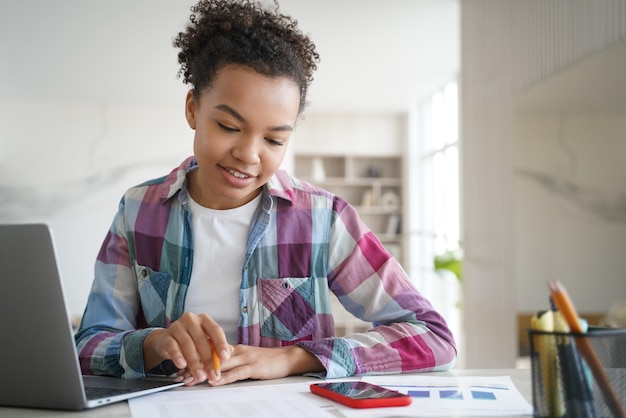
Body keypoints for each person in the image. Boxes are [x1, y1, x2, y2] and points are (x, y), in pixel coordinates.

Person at [75, 0, 457, 387]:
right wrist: (155, 343)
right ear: (193, 109)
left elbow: (433, 337)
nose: (248, 154)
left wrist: (293, 358)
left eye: (274, 139)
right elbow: (87, 346)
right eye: (228, 126)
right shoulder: (139, 210)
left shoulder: (324, 218)